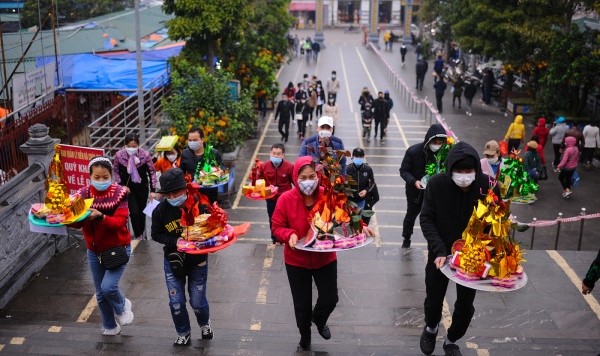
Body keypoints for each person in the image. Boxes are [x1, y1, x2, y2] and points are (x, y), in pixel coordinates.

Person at [271, 157, 375, 351]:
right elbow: (277, 226)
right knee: (301, 305)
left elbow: (346, 214)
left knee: (330, 298)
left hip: (325, 258)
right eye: (303, 177)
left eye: (312, 176)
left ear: (318, 176)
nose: (308, 181)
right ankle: (305, 336)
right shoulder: (286, 199)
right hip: (296, 261)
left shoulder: (328, 195)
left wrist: (362, 226)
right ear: (296, 178)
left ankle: (319, 319)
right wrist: (289, 234)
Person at [420, 141, 499, 356]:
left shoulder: (489, 185)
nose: (464, 176)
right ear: (450, 170)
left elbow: (495, 223)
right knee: (433, 298)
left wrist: (491, 253)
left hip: (473, 256)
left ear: (476, 170)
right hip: (441, 253)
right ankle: (431, 327)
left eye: (469, 171)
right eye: (459, 171)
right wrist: (438, 249)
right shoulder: (437, 185)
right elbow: (426, 219)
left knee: (465, 304)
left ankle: (452, 339)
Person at [70, 156, 133, 335]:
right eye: (96, 177)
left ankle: (122, 306)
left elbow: (119, 222)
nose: (101, 181)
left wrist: (100, 216)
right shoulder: (82, 195)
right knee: (100, 292)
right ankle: (109, 326)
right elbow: (76, 222)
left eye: (105, 177)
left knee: (108, 287)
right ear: (89, 176)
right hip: (94, 250)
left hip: (118, 247)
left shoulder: (120, 193)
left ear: (111, 176)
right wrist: (65, 219)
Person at [151, 168, 214, 346]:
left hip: (198, 261)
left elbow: (213, 229)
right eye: (168, 194)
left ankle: (205, 324)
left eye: (176, 193)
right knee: (176, 303)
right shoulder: (160, 211)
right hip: (173, 261)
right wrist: (175, 241)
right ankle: (183, 332)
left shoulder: (200, 204)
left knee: (197, 302)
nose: (172, 198)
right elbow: (156, 234)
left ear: (186, 188)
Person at [400, 124, 448, 249]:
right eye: (435, 142)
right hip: (415, 193)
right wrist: (414, 181)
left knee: (434, 219)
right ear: (429, 140)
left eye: (440, 142)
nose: (437, 145)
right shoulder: (413, 151)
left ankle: (435, 242)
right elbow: (403, 171)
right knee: (411, 216)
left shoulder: (443, 154)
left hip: (434, 193)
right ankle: (406, 237)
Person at [112, 133, 157, 240]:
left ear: (138, 145)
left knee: (142, 211)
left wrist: (153, 190)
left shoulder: (145, 155)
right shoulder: (119, 155)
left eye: (134, 146)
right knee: (134, 212)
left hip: (142, 188)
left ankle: (141, 233)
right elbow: (116, 171)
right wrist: (121, 186)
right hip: (128, 190)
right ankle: (138, 234)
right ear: (125, 145)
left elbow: (152, 172)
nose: (132, 149)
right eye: (129, 146)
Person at [260, 143, 294, 243]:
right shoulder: (264, 166)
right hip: (270, 198)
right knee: (272, 218)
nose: (276, 156)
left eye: (279, 154)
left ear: (283, 155)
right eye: (274, 153)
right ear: (270, 153)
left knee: (286, 218)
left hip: (285, 199)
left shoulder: (289, 167)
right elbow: (259, 181)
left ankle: (285, 237)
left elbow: (295, 182)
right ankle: (274, 238)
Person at [180, 127, 223, 204]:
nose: (192, 142)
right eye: (190, 140)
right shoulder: (185, 154)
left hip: (210, 194)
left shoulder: (213, 153)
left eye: (195, 140)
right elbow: (181, 173)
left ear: (202, 139)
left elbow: (221, 172)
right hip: (192, 195)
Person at [346, 147, 376, 213]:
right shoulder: (347, 169)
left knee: (358, 219)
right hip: (349, 201)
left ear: (363, 157)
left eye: (360, 156)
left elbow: (372, 183)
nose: (358, 158)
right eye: (356, 156)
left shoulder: (368, 169)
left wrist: (366, 190)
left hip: (361, 201)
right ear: (352, 157)